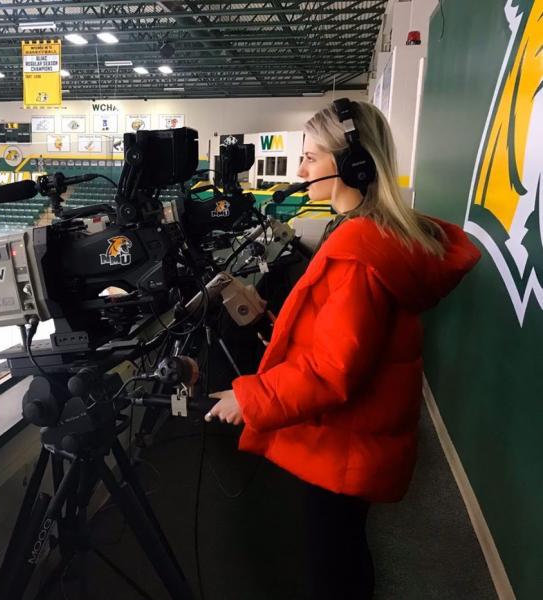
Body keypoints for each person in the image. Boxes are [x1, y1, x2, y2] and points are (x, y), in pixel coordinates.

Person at [206, 99, 481, 599]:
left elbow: (332, 371)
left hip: (344, 441)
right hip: (359, 434)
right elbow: (346, 338)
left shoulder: (356, 253)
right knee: (344, 549)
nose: (299, 170)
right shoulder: (369, 235)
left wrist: (249, 399)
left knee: (333, 564)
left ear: (353, 165)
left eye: (310, 157)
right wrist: (281, 327)